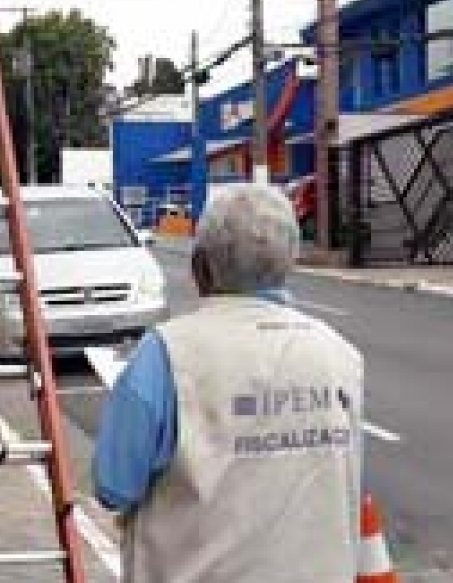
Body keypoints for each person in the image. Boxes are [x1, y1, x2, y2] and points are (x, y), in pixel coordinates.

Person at [93, 183, 364, 583]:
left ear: (200, 266)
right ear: (290, 261)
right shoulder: (340, 356)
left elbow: (114, 485)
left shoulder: (165, 355)